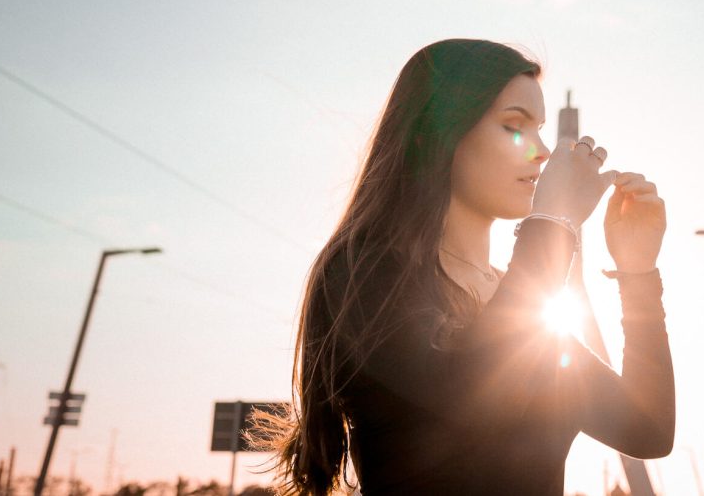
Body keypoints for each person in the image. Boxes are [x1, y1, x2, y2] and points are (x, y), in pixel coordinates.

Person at [253, 38, 674, 495]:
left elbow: (646, 430)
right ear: (439, 133)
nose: (542, 152)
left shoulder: (524, 301)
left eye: (540, 130)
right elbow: (474, 399)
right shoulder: (362, 271)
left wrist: (637, 276)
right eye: (515, 125)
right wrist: (553, 223)